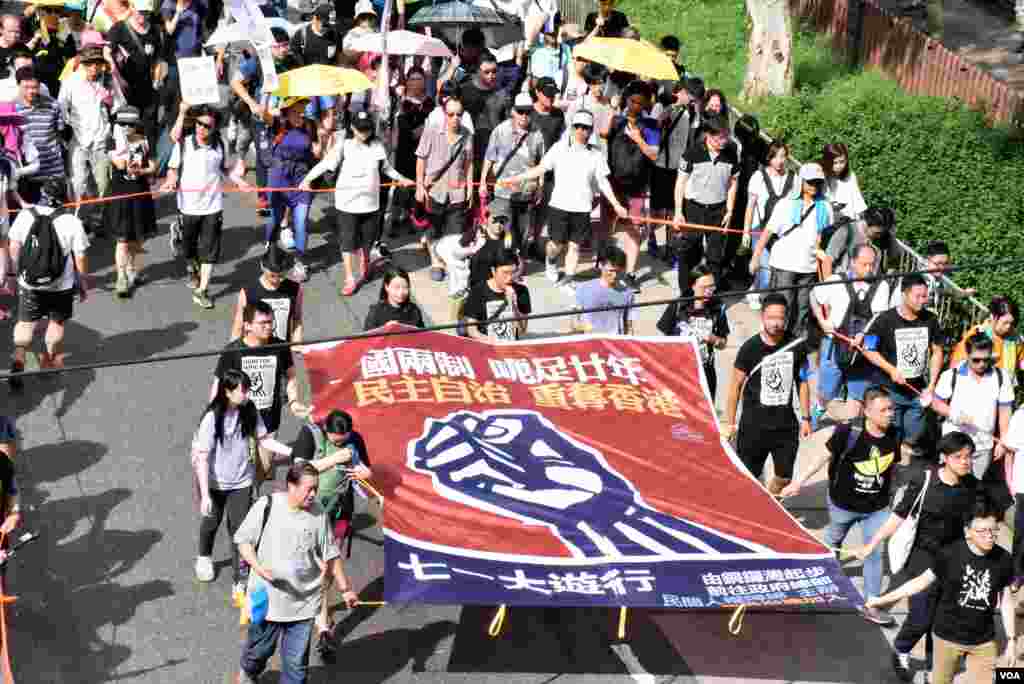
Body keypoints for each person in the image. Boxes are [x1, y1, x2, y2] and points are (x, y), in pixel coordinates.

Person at [854, 431, 982, 681]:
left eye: (969, 457)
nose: (965, 462)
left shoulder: (972, 486)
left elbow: (976, 522)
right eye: (959, 457)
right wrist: (872, 544)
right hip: (922, 556)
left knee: (944, 617)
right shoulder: (924, 480)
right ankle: (901, 649)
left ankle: (938, 663)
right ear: (944, 458)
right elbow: (899, 515)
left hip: (953, 558)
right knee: (922, 616)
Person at [781, 387, 900, 626]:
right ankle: (822, 574)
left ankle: (871, 604)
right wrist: (798, 483)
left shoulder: (894, 434)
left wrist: (892, 497)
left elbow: (892, 467)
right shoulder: (848, 431)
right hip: (842, 505)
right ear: (867, 411)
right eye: (883, 410)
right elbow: (822, 457)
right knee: (834, 540)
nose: (890, 414)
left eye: (891, 409)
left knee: (874, 552)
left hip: (876, 509)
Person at [866, 494, 1014, 684]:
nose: (989, 536)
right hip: (946, 640)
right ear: (967, 531)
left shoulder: (1003, 559)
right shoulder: (950, 555)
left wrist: (1011, 640)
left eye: (994, 530)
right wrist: (881, 600)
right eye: (982, 531)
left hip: (983, 642)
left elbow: (1007, 600)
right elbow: (919, 582)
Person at [235, 461, 359, 684]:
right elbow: (244, 541)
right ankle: (248, 672)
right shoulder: (267, 505)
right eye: (308, 489)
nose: (313, 494)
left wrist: (346, 589)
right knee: (259, 652)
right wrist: (258, 567)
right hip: (268, 601)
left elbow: (331, 554)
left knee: (296, 669)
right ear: (291, 486)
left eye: (316, 489)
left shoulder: (319, 513)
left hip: (303, 603)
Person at [192, 369, 293, 604]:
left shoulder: (249, 410)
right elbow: (202, 458)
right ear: (227, 392)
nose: (247, 393)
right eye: (242, 389)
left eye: (247, 389)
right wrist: (205, 494)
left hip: (242, 481)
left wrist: (291, 452)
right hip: (215, 482)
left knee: (240, 532)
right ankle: (204, 556)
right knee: (211, 521)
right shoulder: (212, 418)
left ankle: (240, 580)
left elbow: (264, 439)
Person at [501, 110, 628, 290]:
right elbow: (540, 169)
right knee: (556, 245)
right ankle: (551, 262)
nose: (581, 131)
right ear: (572, 127)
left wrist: (616, 204)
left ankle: (569, 278)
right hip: (559, 206)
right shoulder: (559, 148)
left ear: (591, 130)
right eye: (578, 126)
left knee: (575, 247)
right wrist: (515, 179)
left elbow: (603, 182)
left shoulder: (596, 154)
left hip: (583, 208)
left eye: (586, 128)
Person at [302, 110, 414, 296]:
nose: (364, 133)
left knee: (368, 241)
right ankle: (349, 278)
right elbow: (325, 164)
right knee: (348, 243)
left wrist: (402, 178)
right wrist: (307, 180)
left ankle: (365, 262)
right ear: (352, 127)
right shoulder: (343, 146)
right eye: (360, 129)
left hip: (371, 203)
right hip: (347, 204)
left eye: (368, 129)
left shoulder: (377, 144)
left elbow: (386, 168)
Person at [289, 410, 371, 660]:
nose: (342, 443)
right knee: (318, 566)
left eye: (344, 439)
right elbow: (299, 471)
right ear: (326, 430)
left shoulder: (353, 438)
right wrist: (336, 459)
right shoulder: (309, 435)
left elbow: (366, 467)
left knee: (326, 567)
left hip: (339, 509)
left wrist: (364, 473)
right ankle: (320, 621)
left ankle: (322, 624)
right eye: (336, 440)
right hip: (309, 512)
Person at [160, 104, 252, 309]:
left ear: (214, 128)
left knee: (210, 250)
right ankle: (188, 258)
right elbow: (173, 169)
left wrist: (239, 182)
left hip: (212, 206)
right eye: (199, 124)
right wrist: (171, 181)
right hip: (188, 206)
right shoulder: (183, 144)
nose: (201, 128)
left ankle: (202, 290)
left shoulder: (219, 145)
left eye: (207, 126)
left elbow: (226, 170)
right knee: (188, 249)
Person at [722, 293, 811, 495]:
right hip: (753, 426)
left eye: (780, 318)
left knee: (784, 477)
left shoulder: (796, 346)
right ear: (762, 317)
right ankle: (756, 509)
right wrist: (729, 422)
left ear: (787, 318)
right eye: (771, 317)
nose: (775, 323)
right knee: (749, 478)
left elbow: (803, 382)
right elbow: (735, 386)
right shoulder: (749, 349)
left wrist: (806, 417)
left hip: (785, 425)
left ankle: (772, 502)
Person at [7, 179, 90, 391]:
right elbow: (80, 257)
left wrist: (18, 273)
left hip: (30, 283)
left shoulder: (26, 215)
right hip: (60, 285)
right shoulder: (71, 222)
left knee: (25, 323)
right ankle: (49, 360)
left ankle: (18, 359)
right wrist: (83, 282)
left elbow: (14, 246)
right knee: (56, 323)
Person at [212, 301, 311, 479]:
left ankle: (255, 491)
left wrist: (294, 401)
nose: (269, 326)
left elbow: (291, 376)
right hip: (240, 420)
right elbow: (218, 385)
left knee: (264, 469)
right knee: (242, 472)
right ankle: (247, 499)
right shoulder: (233, 351)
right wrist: (215, 416)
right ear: (247, 325)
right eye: (263, 323)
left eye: (270, 322)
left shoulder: (279, 346)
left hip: (269, 419)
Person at [861, 274, 944, 459]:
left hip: (918, 391)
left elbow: (937, 351)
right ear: (904, 295)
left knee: (914, 433)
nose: (923, 301)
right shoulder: (884, 319)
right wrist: (891, 369)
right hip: (890, 391)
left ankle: (903, 453)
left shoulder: (931, 319)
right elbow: (868, 349)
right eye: (918, 296)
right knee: (889, 435)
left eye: (925, 296)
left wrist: (932, 384)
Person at [749, 162, 833, 337]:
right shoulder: (786, 204)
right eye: (810, 182)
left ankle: (794, 343)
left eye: (818, 182)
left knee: (802, 309)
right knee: (781, 307)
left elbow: (823, 234)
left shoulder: (825, 207)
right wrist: (756, 257)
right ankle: (774, 339)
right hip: (783, 264)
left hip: (808, 267)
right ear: (801, 182)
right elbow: (767, 232)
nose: (814, 186)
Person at [810, 244, 889, 422]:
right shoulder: (836, 280)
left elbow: (878, 318)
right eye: (864, 264)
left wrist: (863, 335)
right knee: (827, 391)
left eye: (872, 264)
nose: (869, 269)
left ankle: (848, 436)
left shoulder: (881, 285)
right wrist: (822, 321)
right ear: (853, 262)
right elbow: (814, 296)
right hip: (834, 345)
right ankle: (819, 409)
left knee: (858, 398)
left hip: (864, 351)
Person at [58, 43, 124, 233]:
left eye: (97, 63)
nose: (93, 67)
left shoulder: (108, 81)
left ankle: (98, 218)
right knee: (79, 182)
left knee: (103, 184)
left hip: (101, 140)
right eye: (89, 63)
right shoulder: (70, 82)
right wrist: (67, 129)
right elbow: (61, 109)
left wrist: (109, 100)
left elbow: (119, 107)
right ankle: (78, 220)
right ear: (82, 63)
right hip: (78, 140)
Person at [931, 333, 1013, 480]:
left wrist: (1003, 441)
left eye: (986, 360)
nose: (982, 364)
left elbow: (1005, 411)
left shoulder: (1001, 377)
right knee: (949, 484)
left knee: (974, 488)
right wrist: (953, 413)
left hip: (983, 446)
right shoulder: (951, 375)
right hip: (954, 445)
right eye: (976, 360)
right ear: (967, 354)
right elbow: (936, 403)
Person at [673, 113, 738, 294]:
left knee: (715, 256)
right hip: (694, 207)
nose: (724, 141)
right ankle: (687, 293)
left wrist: (730, 210)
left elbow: (733, 183)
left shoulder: (731, 154)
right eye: (720, 137)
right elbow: (680, 183)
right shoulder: (692, 152)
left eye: (726, 136)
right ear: (708, 135)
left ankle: (711, 292)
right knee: (689, 251)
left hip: (718, 210)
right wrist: (679, 212)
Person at [604, 80, 658, 290]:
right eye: (632, 100)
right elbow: (602, 133)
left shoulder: (652, 125)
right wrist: (612, 109)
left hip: (638, 187)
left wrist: (639, 139)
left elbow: (654, 155)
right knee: (605, 227)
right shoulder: (617, 120)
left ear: (645, 104)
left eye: (640, 102)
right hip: (613, 184)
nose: (635, 105)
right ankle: (606, 267)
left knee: (635, 228)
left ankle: (630, 273)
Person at [479, 92, 545, 258]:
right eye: (520, 111)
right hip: (503, 191)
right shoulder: (501, 131)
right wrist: (482, 183)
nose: (524, 116)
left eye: (528, 111)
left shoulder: (537, 134)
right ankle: (500, 263)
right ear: (513, 111)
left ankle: (516, 265)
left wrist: (541, 187)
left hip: (526, 192)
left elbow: (542, 163)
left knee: (521, 233)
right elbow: (489, 157)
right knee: (500, 229)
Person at [415, 96, 474, 281]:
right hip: (435, 189)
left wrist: (470, 185)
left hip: (457, 190)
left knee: (455, 231)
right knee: (434, 229)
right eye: (451, 114)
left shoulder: (467, 135)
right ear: (444, 114)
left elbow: (469, 162)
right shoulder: (432, 131)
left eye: (459, 114)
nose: (455, 118)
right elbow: (421, 158)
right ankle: (435, 261)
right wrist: (419, 185)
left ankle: (448, 260)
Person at [105, 105, 157, 297]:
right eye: (122, 124)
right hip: (121, 194)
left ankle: (131, 270)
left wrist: (142, 170)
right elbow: (119, 163)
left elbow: (153, 165)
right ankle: (121, 277)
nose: (127, 127)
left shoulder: (144, 140)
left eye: (130, 124)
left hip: (140, 192)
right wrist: (125, 151)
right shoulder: (112, 141)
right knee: (123, 238)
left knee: (137, 237)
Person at [656, 265, 729, 399]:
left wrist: (714, 340)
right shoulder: (678, 305)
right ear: (693, 286)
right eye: (704, 287)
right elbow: (663, 339)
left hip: (705, 371)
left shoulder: (718, 308)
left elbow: (723, 343)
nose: (709, 291)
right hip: (679, 371)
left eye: (712, 287)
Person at [266, 96, 316, 281]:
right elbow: (262, 113)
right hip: (279, 176)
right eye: (296, 112)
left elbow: (316, 150)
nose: (300, 116)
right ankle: (270, 249)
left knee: (301, 221)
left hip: (301, 177)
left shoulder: (310, 126)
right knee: (275, 219)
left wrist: (319, 151)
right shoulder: (278, 123)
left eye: (302, 112)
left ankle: (300, 262)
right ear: (287, 112)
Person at [743, 140, 796, 310]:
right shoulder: (758, 177)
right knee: (765, 273)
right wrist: (746, 231)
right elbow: (750, 206)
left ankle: (760, 292)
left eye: (783, 156)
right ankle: (758, 292)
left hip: (782, 233)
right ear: (769, 157)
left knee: (777, 271)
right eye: (776, 156)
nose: (780, 161)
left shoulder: (794, 179)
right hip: (760, 229)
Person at [230, 244, 304, 345]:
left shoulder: (295, 289)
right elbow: (239, 324)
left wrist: (297, 345)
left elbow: (296, 319)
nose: (277, 280)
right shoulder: (249, 291)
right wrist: (233, 351)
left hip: (281, 350)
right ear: (262, 266)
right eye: (272, 275)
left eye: (281, 275)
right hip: (255, 351)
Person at [950, 296, 1023, 387]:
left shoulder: (1014, 338)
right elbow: (957, 364)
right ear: (993, 317)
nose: (1008, 327)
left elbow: (1021, 359)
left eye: (1011, 323)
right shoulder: (977, 333)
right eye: (1005, 323)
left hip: (1006, 390)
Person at [462, 247, 531, 342]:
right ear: (493, 271)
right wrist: (493, 341)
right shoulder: (477, 291)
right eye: (505, 273)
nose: (509, 278)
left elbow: (521, 332)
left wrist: (513, 306)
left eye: (513, 272)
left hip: (509, 343)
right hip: (484, 342)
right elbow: (472, 331)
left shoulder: (522, 291)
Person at [572, 245, 634, 335]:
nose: (615, 275)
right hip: (591, 343)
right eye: (611, 271)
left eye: (618, 271)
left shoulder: (627, 293)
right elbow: (574, 323)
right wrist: (587, 328)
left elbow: (629, 327)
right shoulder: (583, 289)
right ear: (601, 265)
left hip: (616, 344)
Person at [820, 142, 867, 224]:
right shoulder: (822, 177)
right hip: (830, 223)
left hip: (850, 222)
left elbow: (858, 201)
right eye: (835, 163)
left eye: (842, 162)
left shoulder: (850, 176)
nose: (839, 166)